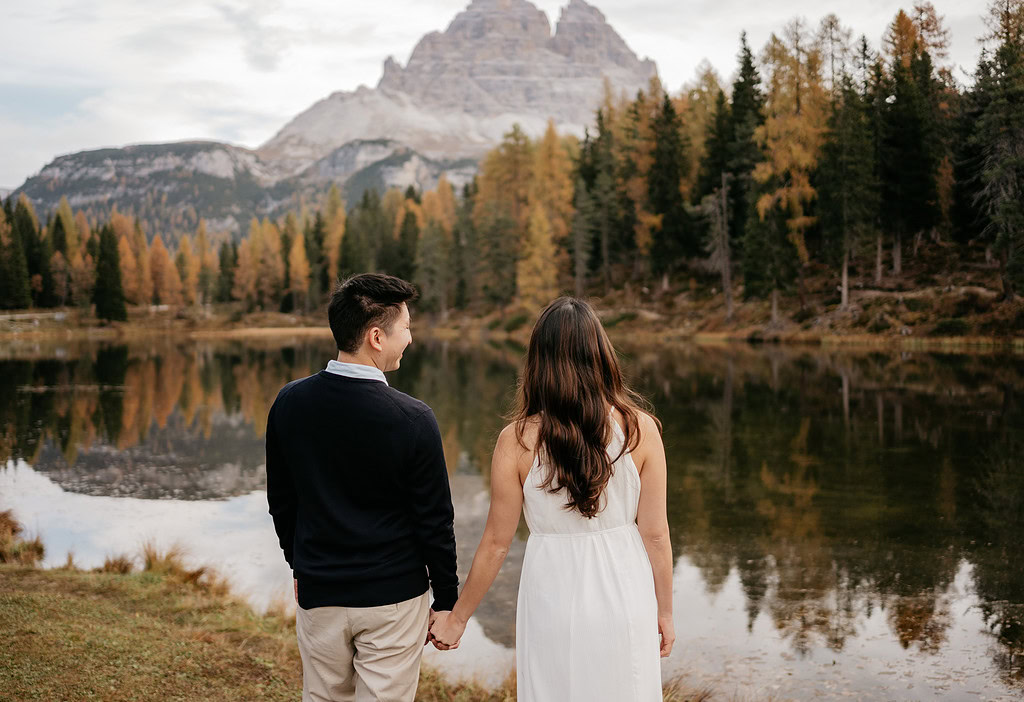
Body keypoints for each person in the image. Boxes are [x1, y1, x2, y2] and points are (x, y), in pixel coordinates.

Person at [429, 296, 675, 701]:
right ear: (601, 355)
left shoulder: (517, 440)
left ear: (538, 363)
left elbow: (496, 544)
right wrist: (664, 611)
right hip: (625, 590)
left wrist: (457, 619)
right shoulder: (640, 429)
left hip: (551, 592)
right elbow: (656, 535)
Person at [265, 273, 459, 702]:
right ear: (376, 337)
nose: (410, 338)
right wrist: (447, 599)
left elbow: (282, 501)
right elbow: (434, 521)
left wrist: (301, 566)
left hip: (320, 592)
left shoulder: (289, 403)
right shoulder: (413, 419)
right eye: (405, 327)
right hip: (393, 600)